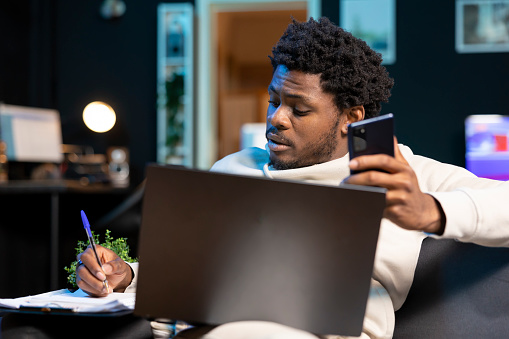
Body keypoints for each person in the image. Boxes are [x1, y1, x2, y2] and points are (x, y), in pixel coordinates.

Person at [76, 17, 509, 339]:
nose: (276, 119)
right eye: (273, 101)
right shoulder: (232, 168)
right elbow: (196, 274)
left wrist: (430, 210)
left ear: (350, 118)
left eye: (299, 109)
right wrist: (128, 275)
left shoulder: (398, 173)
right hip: (204, 325)